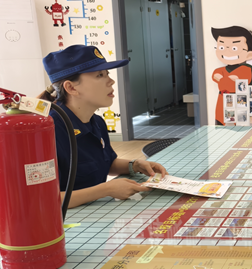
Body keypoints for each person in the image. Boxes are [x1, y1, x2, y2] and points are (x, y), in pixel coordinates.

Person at [39, 45, 167, 208]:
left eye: (107, 74)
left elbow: (105, 163)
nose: (111, 81)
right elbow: (43, 199)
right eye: (100, 75)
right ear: (71, 88)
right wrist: (105, 190)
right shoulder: (46, 132)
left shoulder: (97, 122)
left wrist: (134, 165)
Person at [211, 25, 252, 125]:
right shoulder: (220, 70)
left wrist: (226, 81)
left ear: (249, 54)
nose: (227, 51)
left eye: (234, 48)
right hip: (221, 110)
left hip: (241, 111)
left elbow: (231, 84)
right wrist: (229, 81)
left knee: (241, 133)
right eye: (221, 47)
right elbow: (217, 77)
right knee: (221, 133)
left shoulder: (247, 70)